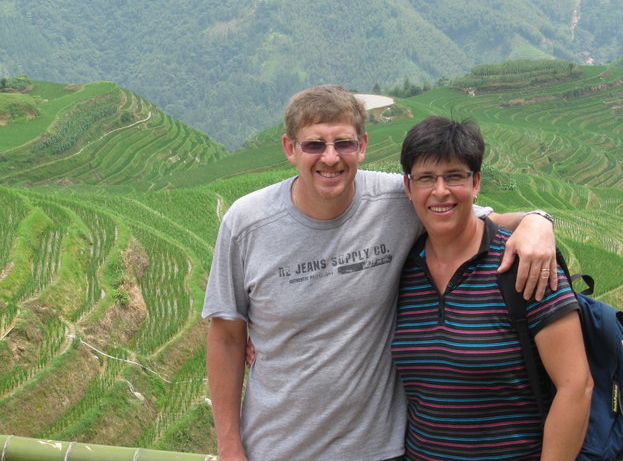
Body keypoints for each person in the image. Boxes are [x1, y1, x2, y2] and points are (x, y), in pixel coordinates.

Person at [202, 85, 558, 461]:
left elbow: (474, 217)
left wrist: (539, 220)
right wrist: (229, 447)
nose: (330, 158)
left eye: (344, 144)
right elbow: (226, 336)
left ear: (363, 145)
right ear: (290, 149)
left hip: (379, 450)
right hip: (274, 449)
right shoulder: (246, 224)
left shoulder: (398, 200)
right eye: (313, 145)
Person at [392, 116, 593, 460]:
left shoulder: (524, 263)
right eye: (426, 178)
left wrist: (538, 218)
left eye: (454, 176)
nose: (440, 191)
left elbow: (576, 386)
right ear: (409, 188)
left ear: (476, 183)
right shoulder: (404, 270)